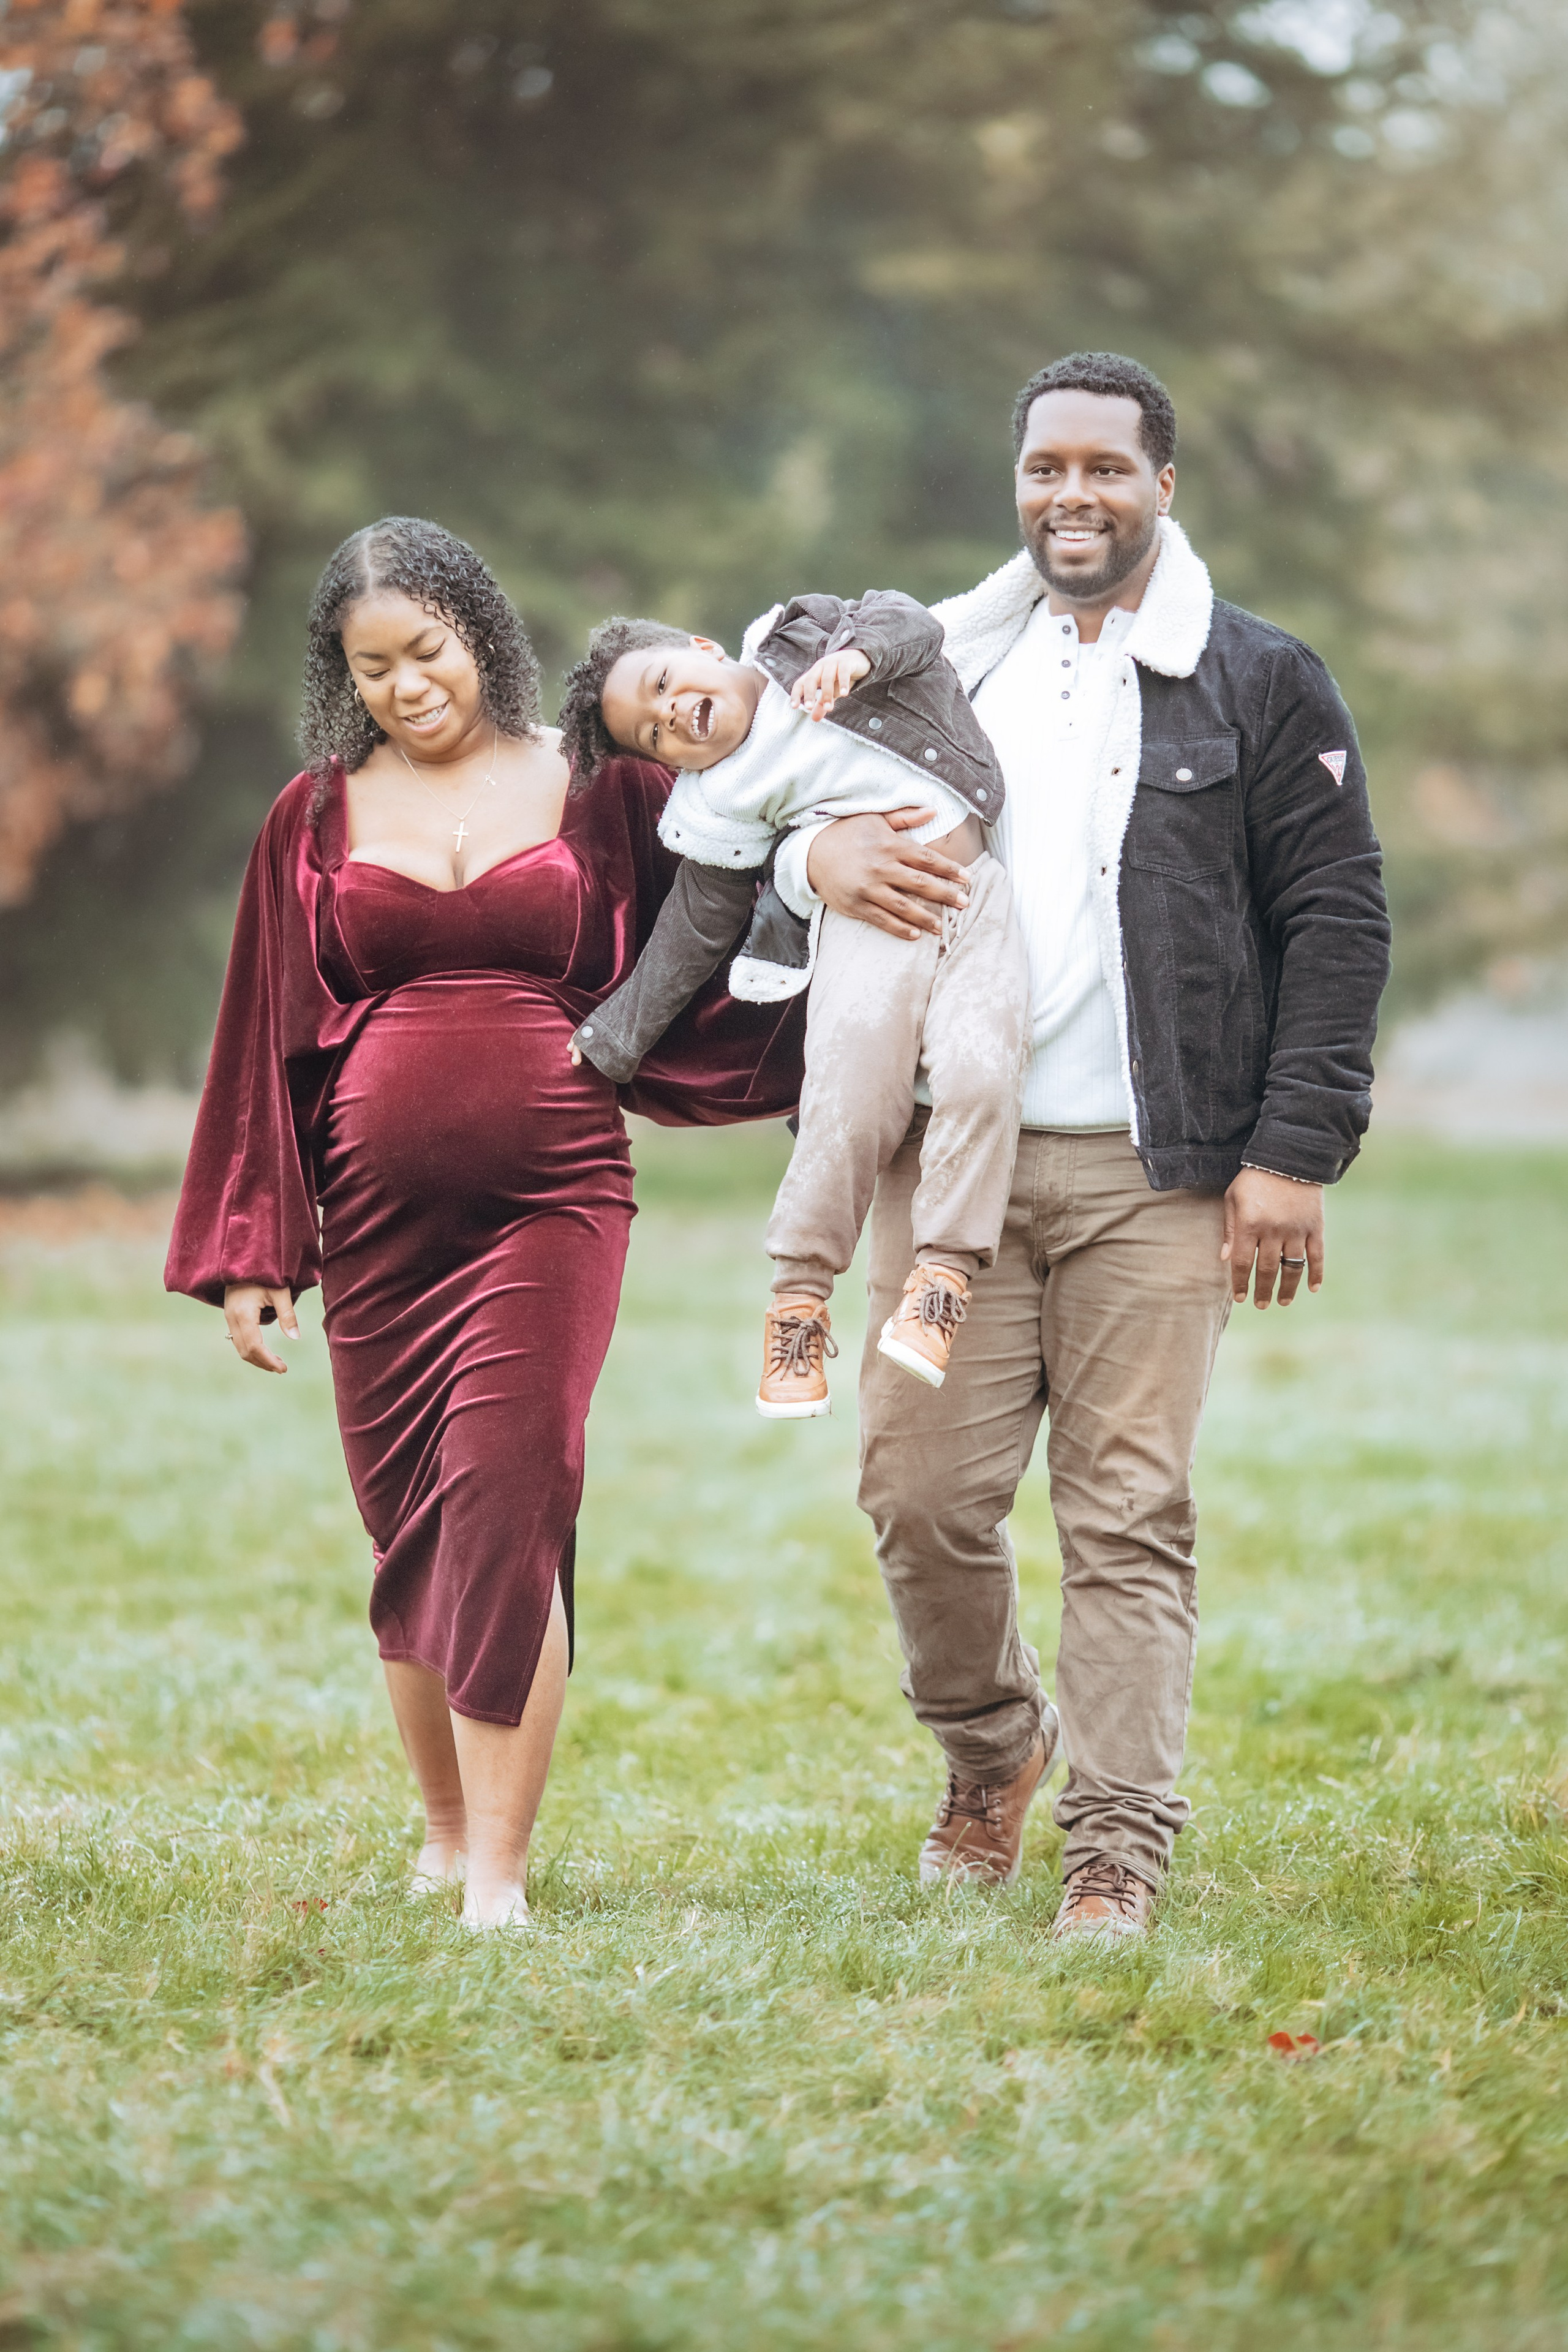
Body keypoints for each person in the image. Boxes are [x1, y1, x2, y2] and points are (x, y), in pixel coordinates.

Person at [796, 353, 1392, 1940]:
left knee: (1127, 1516)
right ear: (1018, 485)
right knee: (917, 1494)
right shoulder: (938, 669)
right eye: (1046, 468)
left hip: (1159, 1174)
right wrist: (815, 856)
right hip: (952, 1175)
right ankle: (995, 1750)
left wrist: (1294, 1151)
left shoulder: (1259, 679)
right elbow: (769, 806)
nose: (1073, 496)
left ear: (1161, 487)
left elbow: (1335, 920)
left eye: (1105, 469)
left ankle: (1116, 1849)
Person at [165, 518, 803, 1931]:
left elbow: (737, 885)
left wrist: (851, 920)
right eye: (371, 667)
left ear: (480, 632)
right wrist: (255, 1254)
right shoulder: (313, 815)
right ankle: (445, 1834)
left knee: (508, 1496)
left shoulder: (602, 786)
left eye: (426, 650)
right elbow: (262, 1031)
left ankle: (498, 1881)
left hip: (553, 1198)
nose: (405, 686)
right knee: (408, 1526)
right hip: (374, 1223)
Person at [556, 592, 1029, 1413]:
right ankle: (799, 1302)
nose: (670, 713)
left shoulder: (807, 638)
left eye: (664, 683)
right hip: (869, 923)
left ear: (703, 646)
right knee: (849, 1097)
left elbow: (912, 624)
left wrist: (856, 657)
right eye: (653, 733)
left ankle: (942, 1280)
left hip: (975, 895)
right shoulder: (717, 802)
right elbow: (692, 931)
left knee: (982, 1075)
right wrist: (614, 1040)